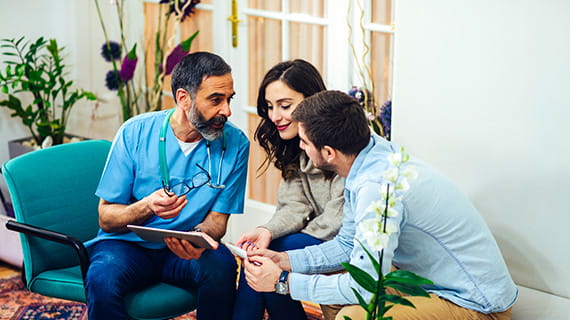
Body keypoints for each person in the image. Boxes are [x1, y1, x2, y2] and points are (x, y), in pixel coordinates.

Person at [243, 90, 518, 320]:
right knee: (333, 292)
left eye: (304, 141)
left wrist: (283, 283)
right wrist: (287, 261)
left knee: (352, 316)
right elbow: (347, 246)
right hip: (427, 281)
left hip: (475, 304)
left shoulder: (377, 188)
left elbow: (366, 286)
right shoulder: (368, 155)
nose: (300, 147)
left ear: (328, 152)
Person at [84, 52, 250, 320]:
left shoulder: (236, 144)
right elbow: (106, 218)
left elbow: (218, 221)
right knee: (102, 277)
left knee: (222, 265)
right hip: (127, 246)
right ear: (184, 98)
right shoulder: (134, 133)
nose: (227, 111)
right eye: (215, 100)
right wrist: (148, 206)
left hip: (184, 249)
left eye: (229, 99)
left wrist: (198, 237)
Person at [231, 60, 344, 320]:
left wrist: (286, 249)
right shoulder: (295, 143)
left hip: (345, 241)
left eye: (285, 106)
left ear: (311, 101)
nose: (275, 116)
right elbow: (294, 205)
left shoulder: (340, 143)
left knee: (270, 257)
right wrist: (266, 231)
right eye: (270, 107)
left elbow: (339, 222)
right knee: (262, 255)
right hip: (320, 235)